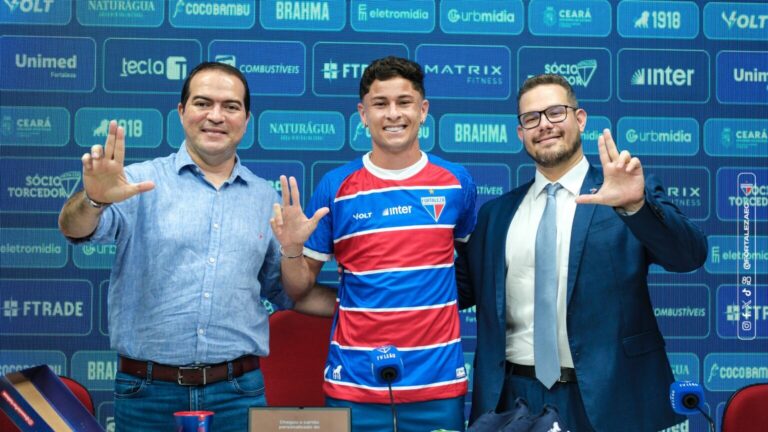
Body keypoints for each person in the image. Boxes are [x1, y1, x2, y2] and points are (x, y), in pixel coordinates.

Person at [58, 62, 317, 431]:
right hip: (147, 394)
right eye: (202, 103)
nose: (216, 116)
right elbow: (74, 229)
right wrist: (94, 200)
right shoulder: (136, 182)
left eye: (230, 106)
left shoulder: (266, 199)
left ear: (246, 120)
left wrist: (297, 254)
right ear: (182, 112)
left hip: (237, 393)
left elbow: (288, 291)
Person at [456, 74, 707, 431]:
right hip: (513, 400)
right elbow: (454, 291)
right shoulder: (495, 215)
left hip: (610, 398)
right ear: (520, 133)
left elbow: (689, 256)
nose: (544, 124)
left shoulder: (624, 194)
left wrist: (636, 206)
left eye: (555, 112)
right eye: (531, 118)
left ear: (580, 119)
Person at [270, 56, 477, 431]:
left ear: (423, 110)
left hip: (438, 384)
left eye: (404, 102)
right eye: (380, 103)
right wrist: (292, 249)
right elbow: (298, 290)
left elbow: (474, 269)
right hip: (354, 384)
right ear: (363, 114)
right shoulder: (336, 186)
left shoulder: (456, 182)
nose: (393, 114)